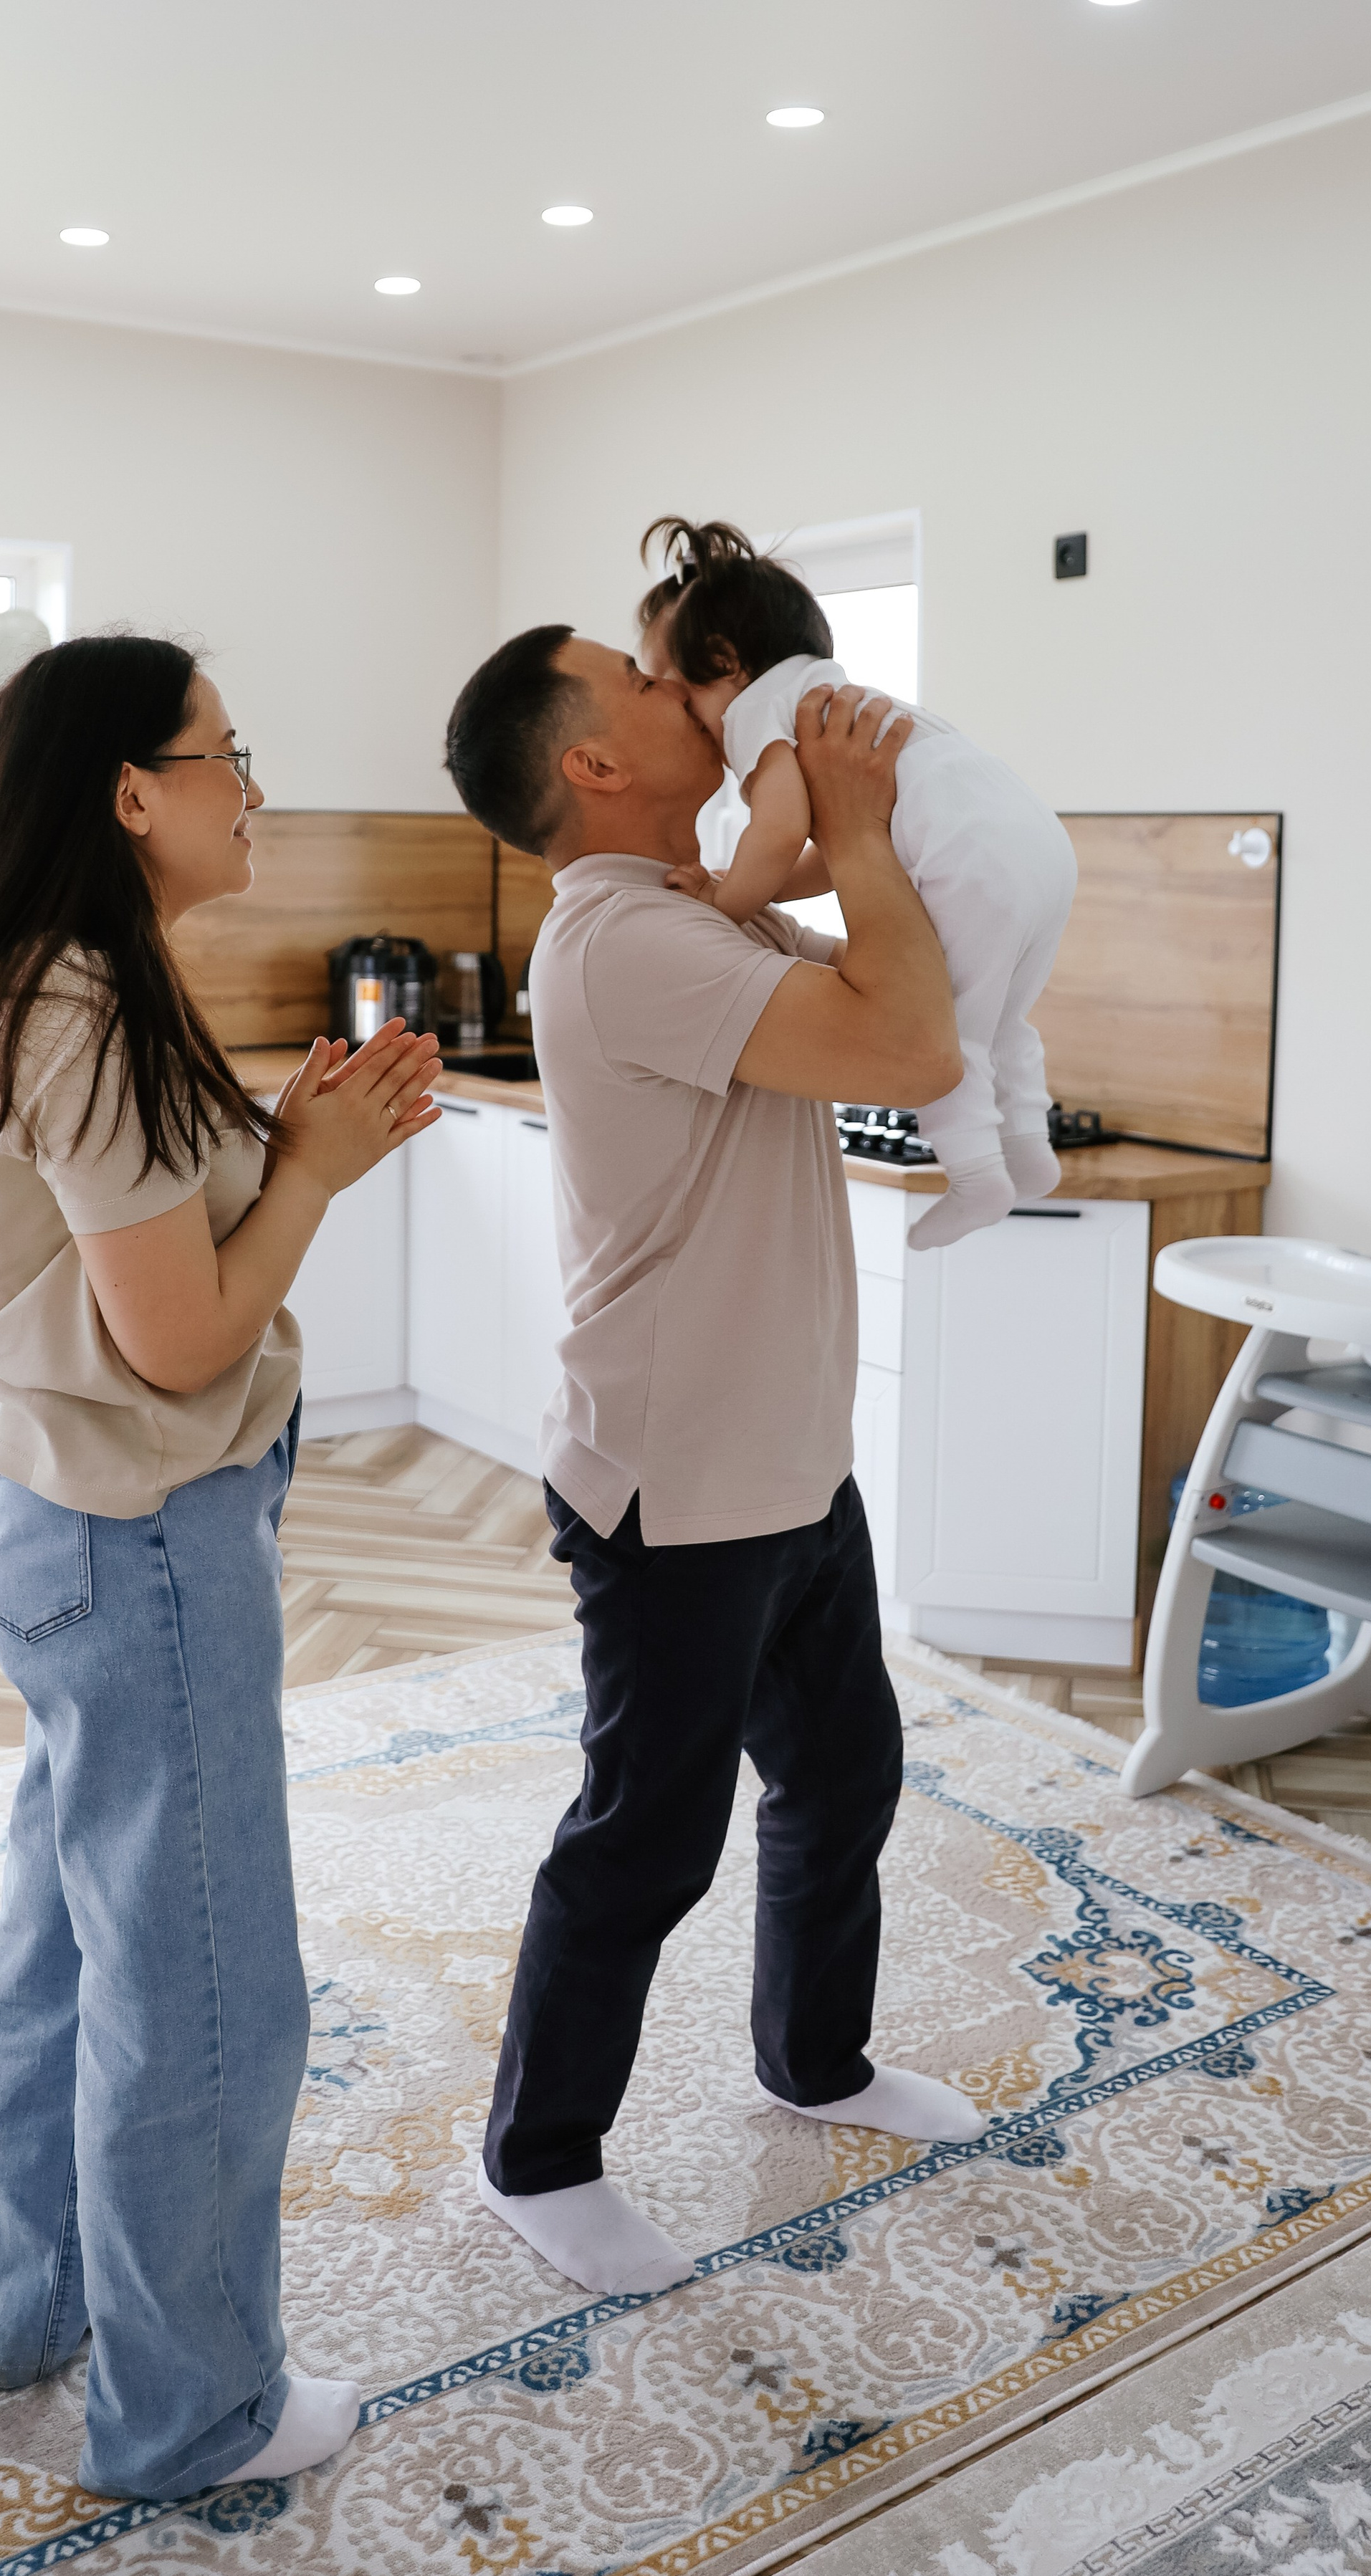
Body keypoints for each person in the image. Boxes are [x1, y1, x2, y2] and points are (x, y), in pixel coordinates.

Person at [0, 633, 441, 2498]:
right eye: (228, 752)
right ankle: (196, 2411)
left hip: (70, 1532)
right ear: (132, 791)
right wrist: (318, 1164)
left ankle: (9, 2304)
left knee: (73, 1939)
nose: (254, 784)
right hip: (142, 1547)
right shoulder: (87, 1006)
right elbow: (184, 1339)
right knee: (206, 1986)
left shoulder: (56, 979)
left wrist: (289, 1145)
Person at [441, 625, 984, 2301]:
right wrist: (859, 827)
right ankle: (537, 2158)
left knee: (841, 1779)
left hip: (785, 1465)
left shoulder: (686, 905)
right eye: (639, 675)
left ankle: (811, 2064)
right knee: (643, 1840)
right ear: (590, 764)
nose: (680, 686)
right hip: (675, 1485)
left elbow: (801, 860)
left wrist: (828, 792)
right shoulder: (624, 942)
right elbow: (909, 1048)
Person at [637, 519, 1078, 1250]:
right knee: (1003, 1020)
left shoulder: (751, 712)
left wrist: (726, 901)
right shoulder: (829, 694)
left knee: (953, 1027)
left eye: (676, 694)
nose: (685, 718)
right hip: (1033, 847)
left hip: (967, 860)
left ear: (722, 662)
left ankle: (976, 1179)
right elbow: (839, 848)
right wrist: (761, 887)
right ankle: (1028, 1152)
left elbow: (777, 834)